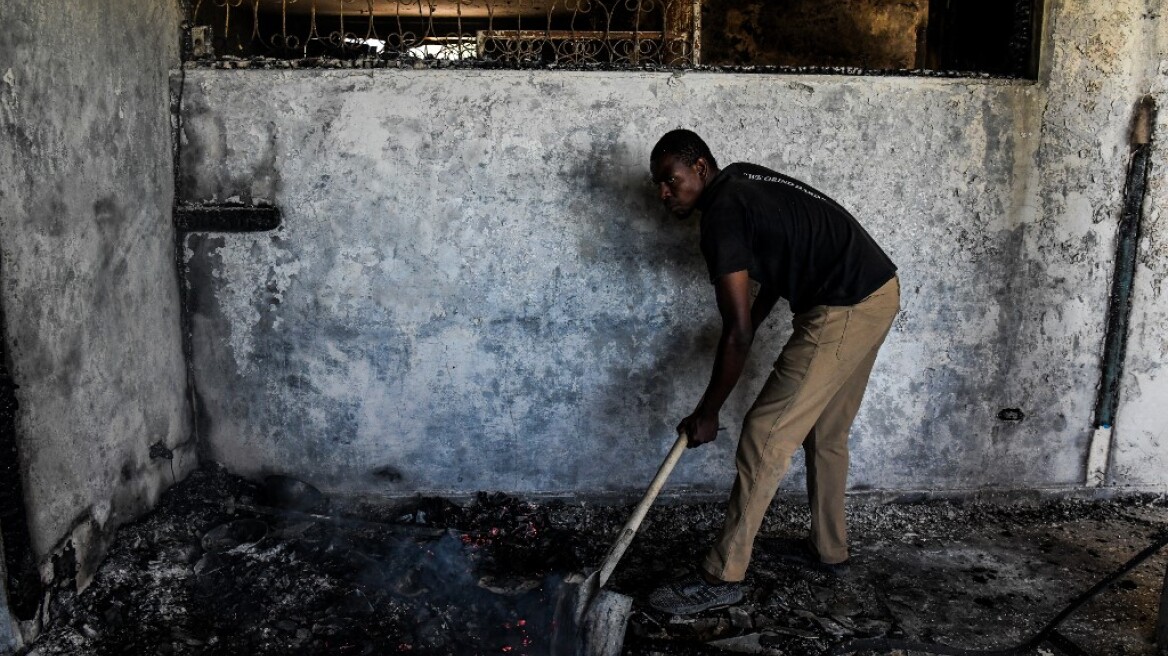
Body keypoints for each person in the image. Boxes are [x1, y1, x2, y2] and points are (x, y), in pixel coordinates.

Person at [646, 130, 900, 616]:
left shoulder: (721, 215)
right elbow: (782, 264)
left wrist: (708, 412)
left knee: (765, 434)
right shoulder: (740, 182)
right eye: (658, 184)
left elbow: (736, 333)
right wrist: (753, 325)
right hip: (877, 289)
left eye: (669, 180)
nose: (663, 193)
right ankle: (830, 550)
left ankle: (722, 574)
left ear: (700, 168)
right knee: (826, 433)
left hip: (845, 303)